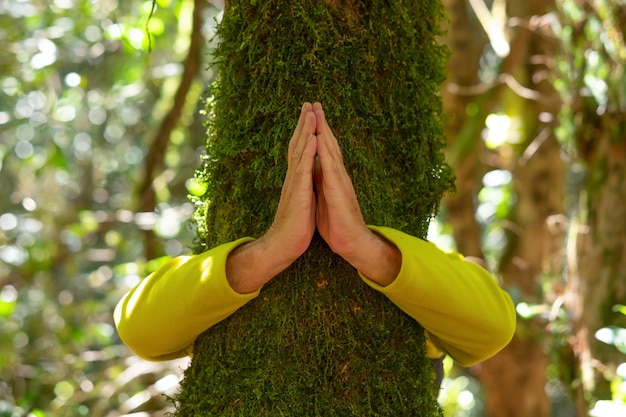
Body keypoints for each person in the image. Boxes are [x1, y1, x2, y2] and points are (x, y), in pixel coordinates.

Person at [114, 102, 516, 373]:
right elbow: (139, 329)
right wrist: (269, 251)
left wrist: (364, 247)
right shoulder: (206, 296)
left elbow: (494, 328)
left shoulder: (429, 293)